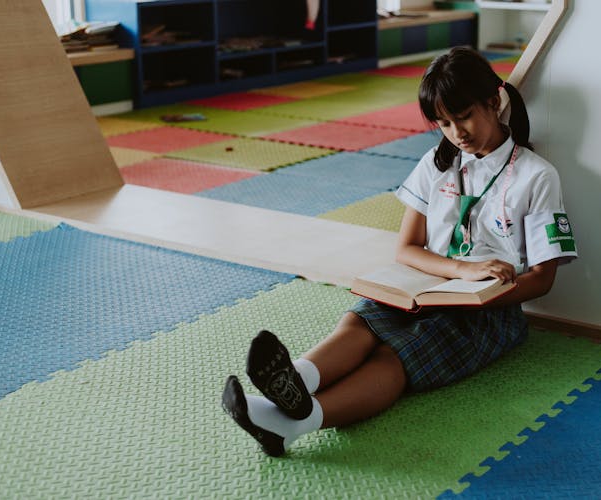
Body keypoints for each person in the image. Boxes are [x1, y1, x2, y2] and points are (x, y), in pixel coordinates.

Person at [221, 46, 578, 457]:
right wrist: (461, 270)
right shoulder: (437, 162)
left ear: (493, 102)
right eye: (444, 123)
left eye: (463, 117)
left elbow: (543, 278)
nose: (456, 133)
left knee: (394, 357)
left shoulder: (536, 175)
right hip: (427, 287)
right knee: (359, 322)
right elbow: (406, 248)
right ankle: (294, 383)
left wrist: (483, 293)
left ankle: (293, 422)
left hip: (488, 315)